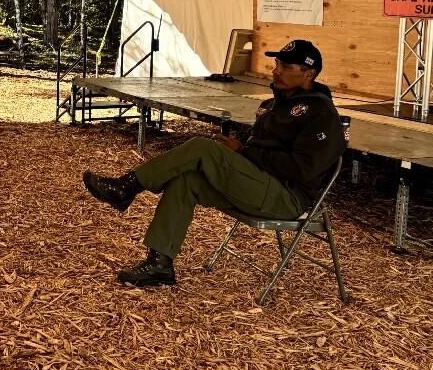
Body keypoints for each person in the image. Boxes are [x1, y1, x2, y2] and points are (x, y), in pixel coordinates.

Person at [82, 39, 345, 287]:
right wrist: (239, 145)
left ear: (309, 74)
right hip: (260, 184)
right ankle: (159, 264)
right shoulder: (276, 103)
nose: (276, 71)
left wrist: (242, 152)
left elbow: (303, 169)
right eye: (277, 64)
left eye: (286, 67)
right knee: (187, 181)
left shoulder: (321, 114)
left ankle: (128, 186)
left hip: (287, 197)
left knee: (201, 148)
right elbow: (263, 146)